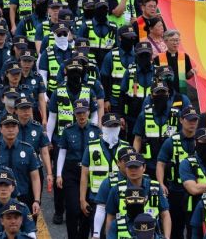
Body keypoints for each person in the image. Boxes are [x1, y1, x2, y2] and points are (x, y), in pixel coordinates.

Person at [57, 98, 101, 236]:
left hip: (90, 173)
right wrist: (58, 174)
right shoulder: (68, 131)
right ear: (74, 114)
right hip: (72, 172)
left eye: (83, 112)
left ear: (88, 112)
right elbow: (62, 152)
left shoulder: (96, 131)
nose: (81, 116)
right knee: (72, 208)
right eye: (78, 113)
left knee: (87, 209)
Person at [81, 113, 131, 230]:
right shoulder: (92, 147)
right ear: (102, 127)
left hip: (120, 199)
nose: (113, 130)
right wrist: (82, 199)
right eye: (109, 127)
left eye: (115, 126)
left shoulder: (127, 148)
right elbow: (84, 175)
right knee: (97, 232)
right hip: (96, 198)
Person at [104, 152, 171, 239]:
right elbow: (110, 217)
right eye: (130, 167)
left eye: (136, 167)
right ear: (126, 168)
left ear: (144, 168)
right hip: (124, 233)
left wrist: (167, 237)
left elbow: (165, 214)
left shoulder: (155, 187)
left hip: (150, 233)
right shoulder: (116, 189)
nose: (133, 170)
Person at [156, 107, 199, 239]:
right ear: (181, 120)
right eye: (189, 120)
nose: (192, 123)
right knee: (176, 228)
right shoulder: (171, 141)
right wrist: (161, 183)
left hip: (196, 192)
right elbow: (160, 163)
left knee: (194, 228)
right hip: (176, 191)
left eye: (195, 120)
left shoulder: (203, 140)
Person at [0, 113, 42, 216]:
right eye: (7, 126)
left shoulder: (28, 149)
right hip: (0, 198)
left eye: (13, 126)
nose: (10, 129)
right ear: (0, 129)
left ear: (18, 129)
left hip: (24, 198)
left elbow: (35, 177)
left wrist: (36, 200)